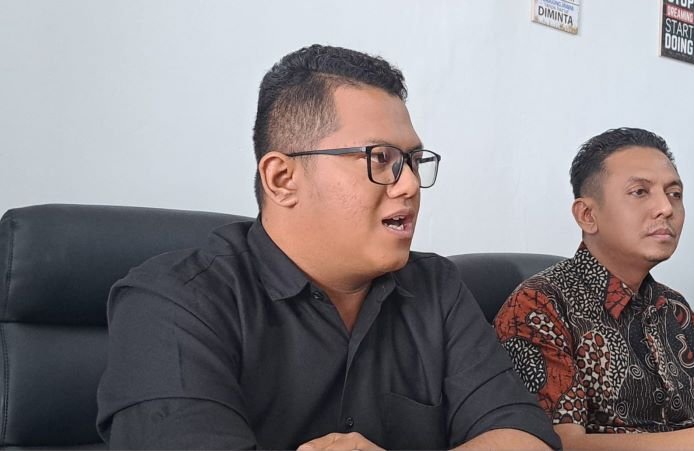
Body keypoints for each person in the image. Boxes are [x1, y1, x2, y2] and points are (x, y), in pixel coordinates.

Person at [96, 44, 560, 450]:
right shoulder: (174, 302)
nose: (410, 185)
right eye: (381, 158)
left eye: (415, 161)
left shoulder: (436, 288)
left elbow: (525, 436)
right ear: (282, 179)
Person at [494, 127, 694, 449]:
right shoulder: (539, 305)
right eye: (640, 192)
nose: (666, 208)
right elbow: (557, 444)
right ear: (587, 215)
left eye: (675, 194)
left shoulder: (674, 309)